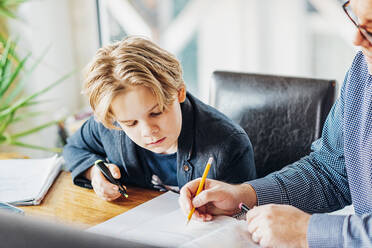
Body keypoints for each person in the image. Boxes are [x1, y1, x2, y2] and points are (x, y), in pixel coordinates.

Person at [179, 0, 372, 247]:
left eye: (371, 27)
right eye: (355, 16)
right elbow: (330, 172)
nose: (356, 38)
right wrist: (245, 195)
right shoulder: (361, 72)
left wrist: (307, 231)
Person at [63, 36, 256, 201]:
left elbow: (242, 215)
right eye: (131, 123)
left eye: (156, 113)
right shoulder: (111, 123)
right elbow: (74, 147)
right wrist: (94, 172)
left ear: (179, 92)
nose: (148, 131)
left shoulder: (229, 145)